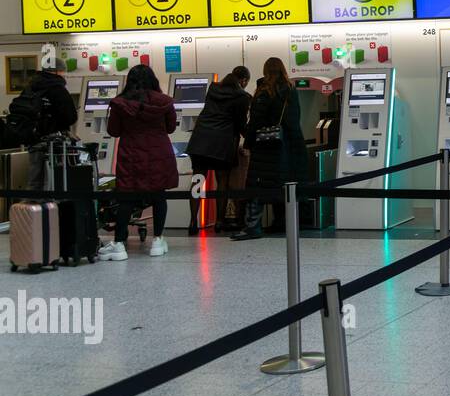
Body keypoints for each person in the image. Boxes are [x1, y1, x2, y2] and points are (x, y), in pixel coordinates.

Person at [100, 64, 178, 260]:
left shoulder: (120, 103)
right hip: (159, 154)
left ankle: (118, 245)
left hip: (131, 155)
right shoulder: (165, 102)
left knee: (126, 198)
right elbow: (170, 128)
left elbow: (114, 131)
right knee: (159, 197)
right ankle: (158, 241)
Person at [234, 58, 307, 241]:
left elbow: (256, 121)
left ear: (266, 71)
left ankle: (252, 226)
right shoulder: (291, 90)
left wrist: (248, 143)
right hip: (289, 146)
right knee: (282, 186)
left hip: (266, 148)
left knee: (257, 187)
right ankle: (281, 223)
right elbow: (295, 120)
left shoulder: (264, 91)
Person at [185, 66, 251, 234]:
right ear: (243, 80)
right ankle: (219, 222)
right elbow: (241, 124)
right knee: (222, 181)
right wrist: (251, 140)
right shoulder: (242, 96)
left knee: (198, 180)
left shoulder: (213, 89)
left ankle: (193, 222)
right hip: (222, 143)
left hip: (200, 141)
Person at [10, 65, 78, 189]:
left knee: (35, 178)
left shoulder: (31, 87)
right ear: (57, 71)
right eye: (63, 71)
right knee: (54, 180)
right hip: (53, 142)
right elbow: (70, 117)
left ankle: (32, 206)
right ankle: (51, 206)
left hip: (33, 139)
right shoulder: (57, 89)